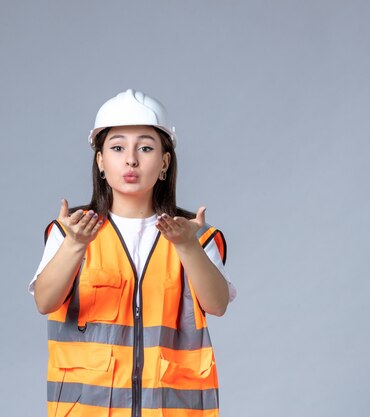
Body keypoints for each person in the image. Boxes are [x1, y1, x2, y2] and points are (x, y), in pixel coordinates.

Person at [29, 89, 236, 417]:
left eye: (145, 147)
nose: (131, 159)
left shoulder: (196, 235)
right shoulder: (69, 230)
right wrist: (75, 245)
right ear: (100, 161)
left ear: (164, 161)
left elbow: (217, 304)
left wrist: (186, 246)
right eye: (117, 147)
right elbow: (44, 301)